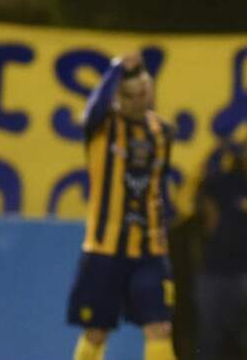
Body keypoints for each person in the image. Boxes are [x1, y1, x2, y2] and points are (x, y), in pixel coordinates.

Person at [66, 53, 177, 360]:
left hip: (150, 249)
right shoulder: (102, 126)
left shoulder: (162, 132)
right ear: (117, 95)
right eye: (128, 96)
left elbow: (158, 181)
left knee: (160, 327)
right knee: (96, 332)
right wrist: (116, 69)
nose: (138, 102)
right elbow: (93, 112)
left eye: (143, 94)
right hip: (105, 248)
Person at [194, 134, 247, 360]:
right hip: (213, 269)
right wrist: (210, 217)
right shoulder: (230, 182)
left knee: (242, 335)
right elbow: (204, 188)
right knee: (209, 334)